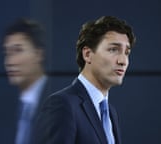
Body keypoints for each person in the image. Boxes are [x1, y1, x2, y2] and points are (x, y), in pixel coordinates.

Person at [34, 16, 136, 144]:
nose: (123, 61)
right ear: (87, 54)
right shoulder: (62, 105)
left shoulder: (111, 113)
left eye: (126, 52)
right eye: (113, 49)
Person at [3, 18, 54, 144]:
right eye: (7, 53)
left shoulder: (63, 101)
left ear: (38, 54)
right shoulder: (6, 108)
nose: (10, 62)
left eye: (18, 50)